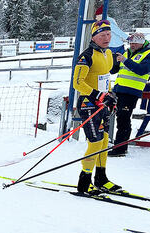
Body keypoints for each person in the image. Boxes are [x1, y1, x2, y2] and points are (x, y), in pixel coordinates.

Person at [72, 20, 121, 194]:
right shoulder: (87, 55)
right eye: (102, 35)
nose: (106, 38)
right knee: (95, 142)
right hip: (89, 104)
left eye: (108, 34)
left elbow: (104, 78)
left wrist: (110, 95)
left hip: (103, 104)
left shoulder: (108, 53)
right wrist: (97, 95)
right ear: (94, 37)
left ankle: (101, 178)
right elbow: (78, 83)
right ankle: (84, 181)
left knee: (105, 141)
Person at [108, 33, 150, 156]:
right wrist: (113, 61)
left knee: (124, 119)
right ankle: (120, 146)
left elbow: (142, 70)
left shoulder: (147, 54)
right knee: (120, 118)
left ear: (142, 43)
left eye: (135, 43)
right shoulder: (126, 53)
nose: (132, 45)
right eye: (131, 43)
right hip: (120, 89)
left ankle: (120, 148)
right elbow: (114, 70)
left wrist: (125, 60)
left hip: (132, 91)